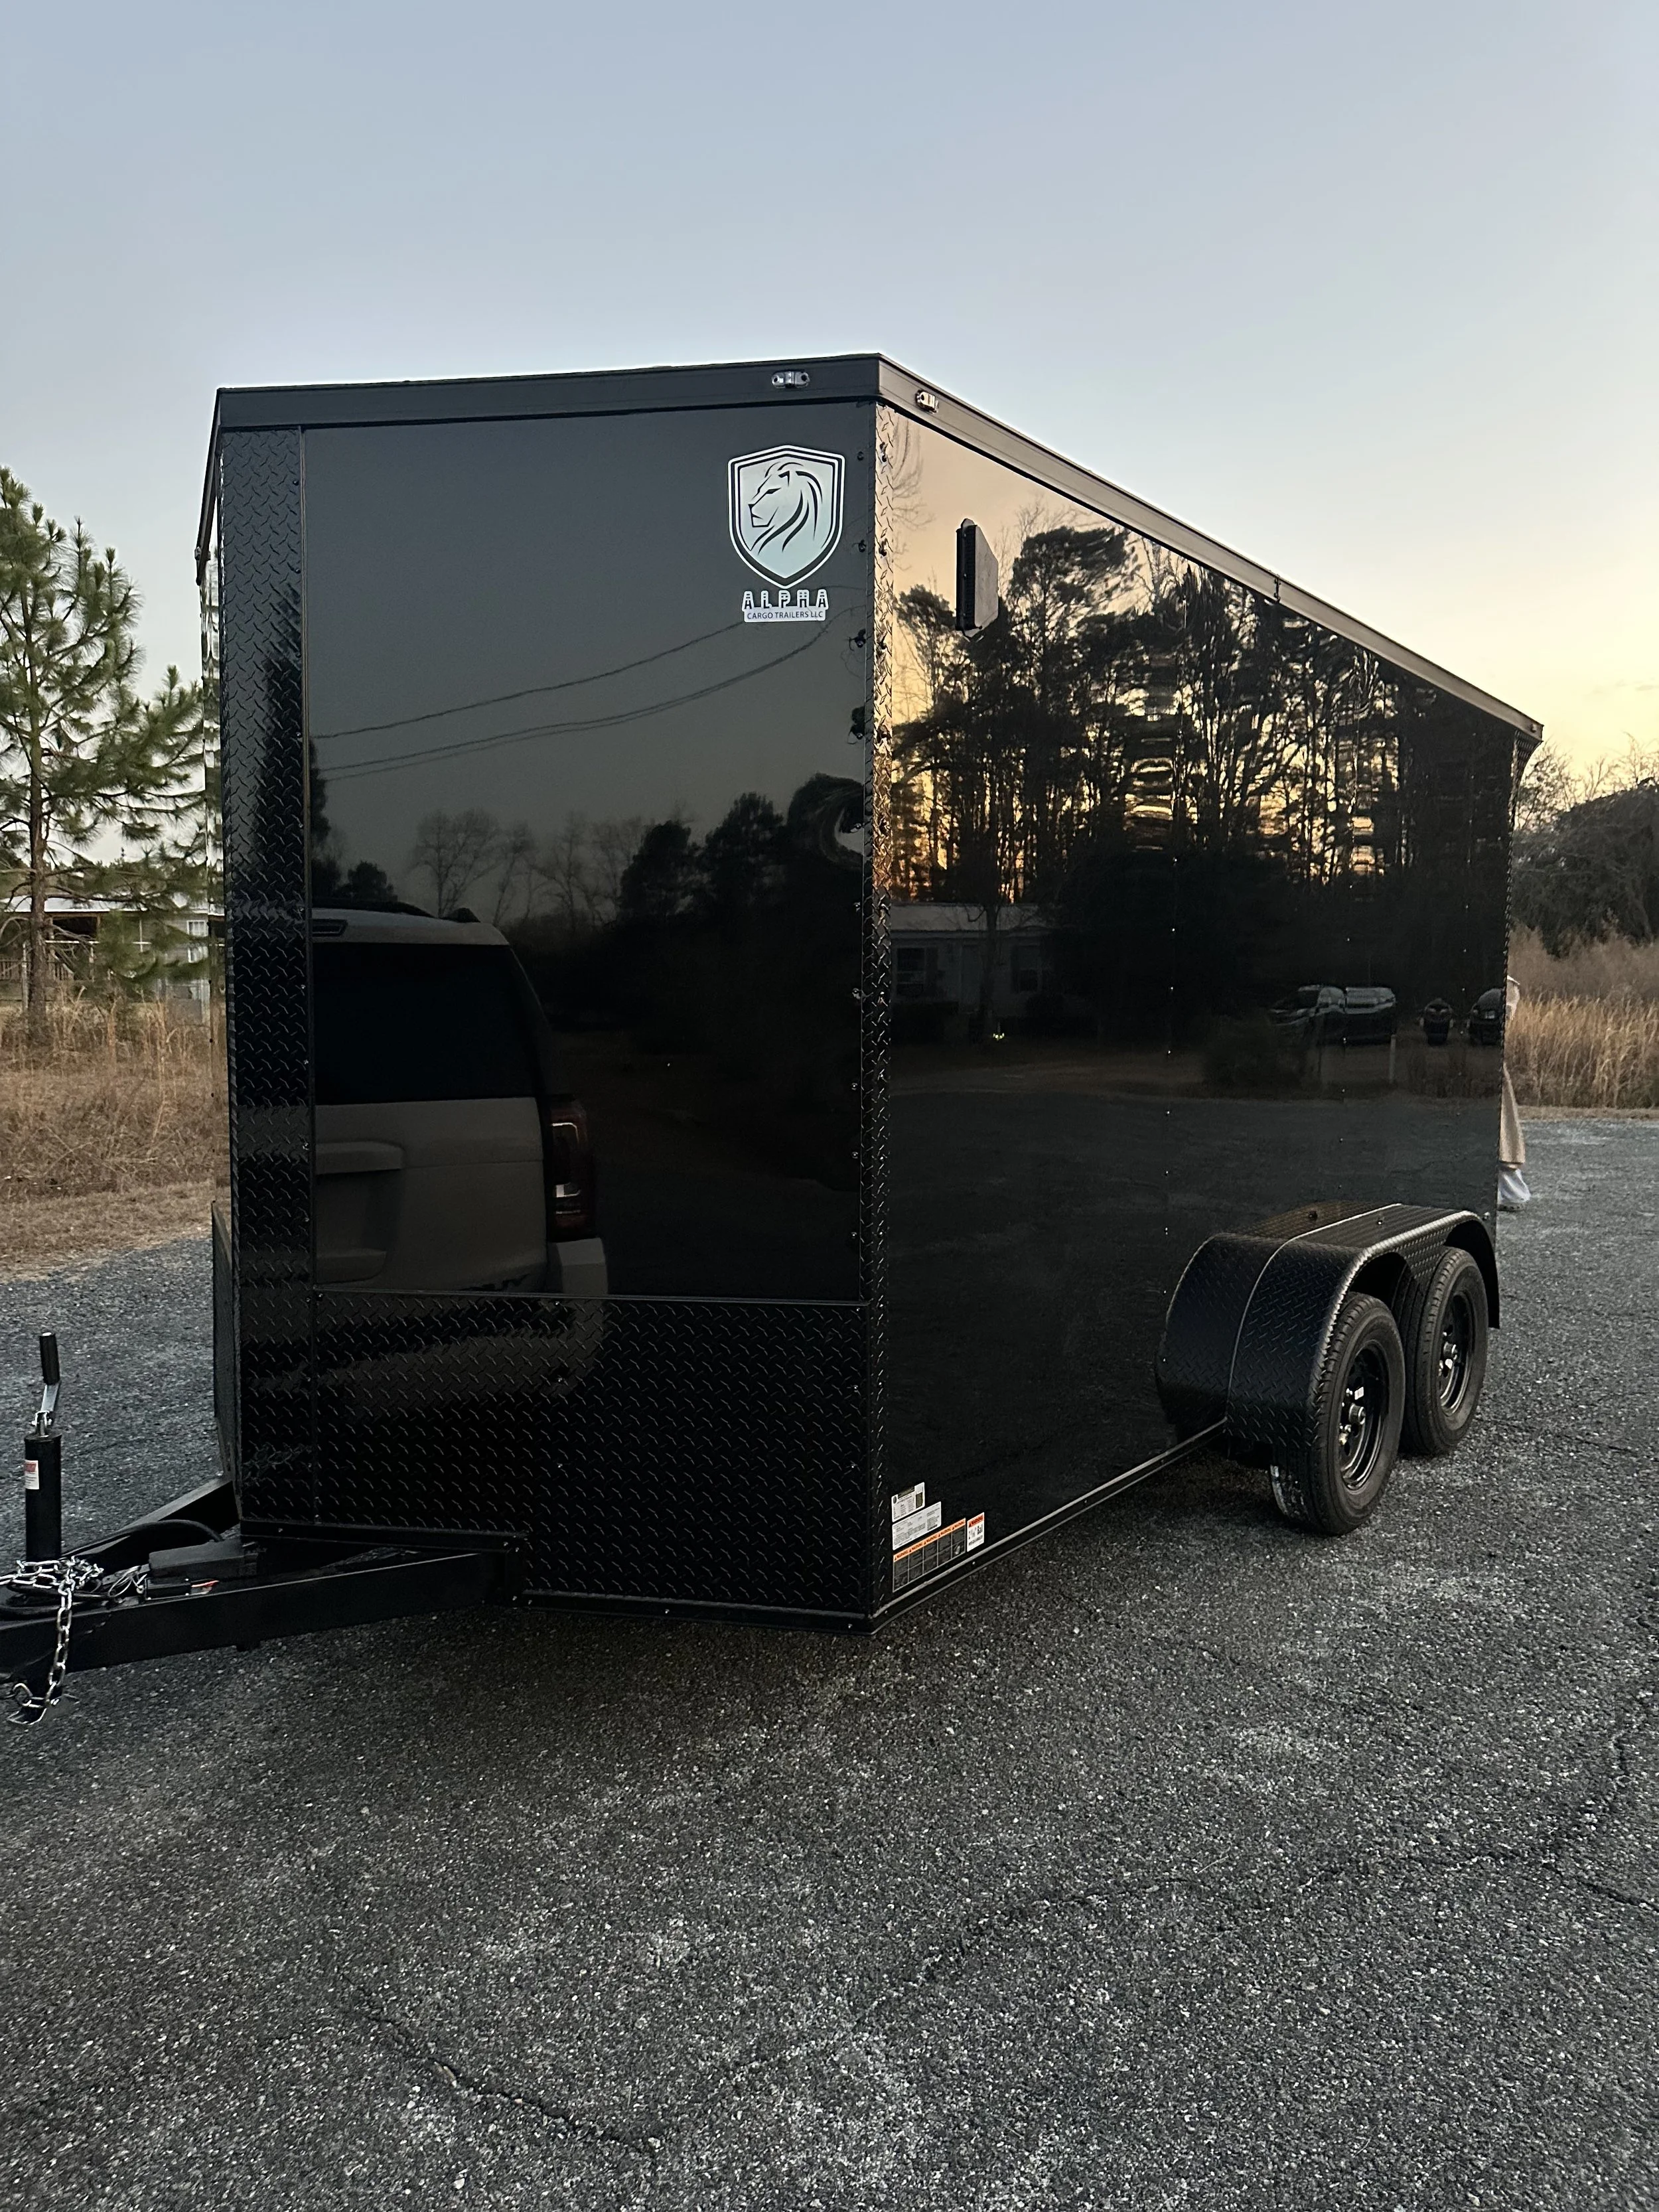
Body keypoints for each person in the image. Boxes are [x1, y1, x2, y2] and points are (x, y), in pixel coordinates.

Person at [1498, 974, 1530, 1210]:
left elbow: (1505, 1015)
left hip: (1488, 1061)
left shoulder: (1506, 984)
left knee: (1502, 1130)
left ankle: (1511, 1193)